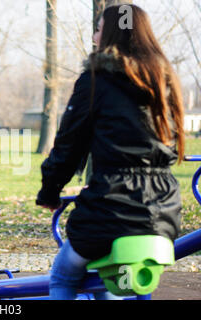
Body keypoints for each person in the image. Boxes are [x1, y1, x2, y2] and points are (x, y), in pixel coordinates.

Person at [36, 4, 185, 300]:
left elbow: (68, 144)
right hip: (166, 208)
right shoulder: (163, 80)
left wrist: (50, 192)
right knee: (130, 278)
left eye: (99, 29)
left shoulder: (96, 81)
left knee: (64, 275)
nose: (94, 37)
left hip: (113, 206)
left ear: (112, 35)